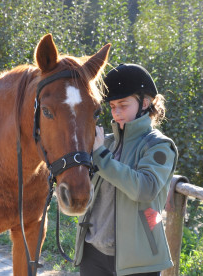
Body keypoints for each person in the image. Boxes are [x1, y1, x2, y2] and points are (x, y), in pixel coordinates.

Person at [74, 64, 178, 276]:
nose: (116, 112)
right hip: (93, 253)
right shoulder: (105, 143)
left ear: (145, 103)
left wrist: (101, 157)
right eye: (112, 106)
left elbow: (145, 189)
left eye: (123, 105)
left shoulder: (159, 146)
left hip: (138, 260)